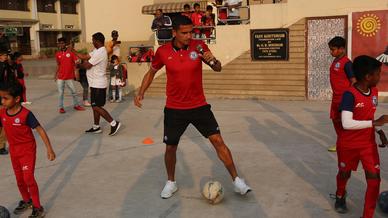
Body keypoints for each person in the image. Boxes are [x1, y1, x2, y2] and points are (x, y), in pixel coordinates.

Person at [134, 15, 251, 199]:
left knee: (218, 141)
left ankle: (237, 181)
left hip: (199, 106)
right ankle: (171, 182)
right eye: (184, 33)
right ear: (174, 33)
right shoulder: (163, 52)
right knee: (170, 148)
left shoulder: (199, 47)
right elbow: (151, 72)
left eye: (191, 32)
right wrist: (141, 92)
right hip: (174, 108)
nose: (189, 36)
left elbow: (218, 68)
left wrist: (212, 60)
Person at [334, 55, 388, 218]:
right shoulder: (349, 95)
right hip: (348, 145)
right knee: (345, 173)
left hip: (367, 145)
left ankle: (367, 215)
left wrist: (379, 131)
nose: (380, 77)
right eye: (378, 73)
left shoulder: (374, 92)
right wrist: (375, 124)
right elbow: (347, 123)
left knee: (374, 180)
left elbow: (368, 116)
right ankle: (340, 195)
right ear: (367, 76)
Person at [0, 82, 56, 218]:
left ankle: (38, 207)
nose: (2, 101)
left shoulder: (26, 114)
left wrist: (49, 149)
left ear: (17, 99)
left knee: (28, 178)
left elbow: (40, 129)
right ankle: (27, 201)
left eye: (5, 98)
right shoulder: (2, 113)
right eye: (1, 98)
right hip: (14, 150)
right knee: (19, 179)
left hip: (27, 150)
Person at [73, 32, 121, 136]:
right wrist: (72, 50)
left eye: (93, 40)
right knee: (96, 106)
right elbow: (85, 56)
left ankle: (114, 123)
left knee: (95, 106)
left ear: (97, 41)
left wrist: (78, 65)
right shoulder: (96, 50)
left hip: (99, 84)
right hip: (95, 84)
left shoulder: (101, 52)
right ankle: (96, 127)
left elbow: (87, 65)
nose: (92, 42)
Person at [327, 36, 356, 152]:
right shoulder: (335, 61)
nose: (331, 52)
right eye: (330, 49)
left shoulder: (347, 64)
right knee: (335, 120)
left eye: (333, 49)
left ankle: (347, 143)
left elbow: (354, 81)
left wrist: (350, 97)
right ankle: (341, 142)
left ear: (342, 49)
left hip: (343, 98)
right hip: (336, 97)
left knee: (344, 122)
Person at [55, 37, 85, 114]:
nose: (61, 44)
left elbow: (77, 62)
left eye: (63, 43)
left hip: (69, 77)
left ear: (65, 44)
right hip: (60, 77)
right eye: (60, 43)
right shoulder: (57, 54)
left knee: (74, 92)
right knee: (60, 93)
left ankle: (76, 105)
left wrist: (78, 69)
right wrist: (55, 74)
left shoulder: (71, 53)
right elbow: (58, 65)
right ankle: (61, 107)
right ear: (58, 44)